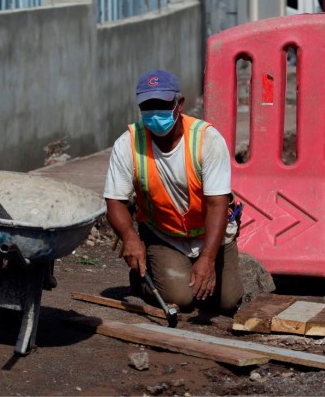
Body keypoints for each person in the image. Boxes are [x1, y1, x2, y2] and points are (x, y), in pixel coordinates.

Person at [103, 69, 244, 313]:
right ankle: (142, 280)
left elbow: (217, 204)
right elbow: (114, 201)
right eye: (148, 105)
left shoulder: (207, 140)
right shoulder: (128, 143)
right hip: (164, 234)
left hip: (210, 233)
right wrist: (129, 237)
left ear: (179, 104)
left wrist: (208, 259)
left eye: (162, 103)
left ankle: (198, 265)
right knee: (181, 298)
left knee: (227, 303)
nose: (155, 112)